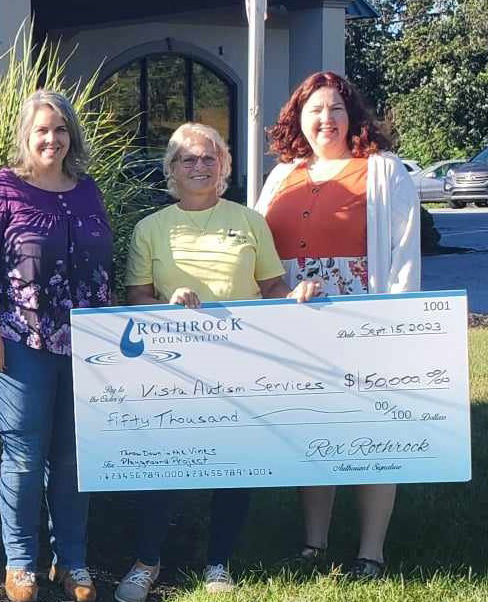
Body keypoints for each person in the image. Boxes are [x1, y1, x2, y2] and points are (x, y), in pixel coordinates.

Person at [115, 122, 320, 602]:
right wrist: (166, 305)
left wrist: (297, 295)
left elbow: (272, 286)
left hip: (240, 362)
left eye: (210, 157)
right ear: (172, 169)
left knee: (234, 463)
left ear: (224, 165)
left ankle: (218, 563)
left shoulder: (249, 221)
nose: (200, 166)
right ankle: (147, 561)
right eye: (188, 159)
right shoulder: (150, 228)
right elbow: (136, 296)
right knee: (163, 464)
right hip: (172, 368)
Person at [256, 71, 420, 578]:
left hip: (362, 317)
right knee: (314, 425)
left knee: (372, 430)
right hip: (296, 320)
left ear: (352, 117)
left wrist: (397, 323)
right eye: (314, 111)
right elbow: (257, 251)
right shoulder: (282, 175)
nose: (325, 119)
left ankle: (371, 552)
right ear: (298, 120)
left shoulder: (382, 170)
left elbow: (404, 252)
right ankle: (315, 544)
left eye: (335, 109)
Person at [0, 90, 113, 602]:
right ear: (26, 135)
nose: (52, 138)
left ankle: (72, 563)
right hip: (19, 340)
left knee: (72, 458)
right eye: (42, 130)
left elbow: (103, 265)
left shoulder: (86, 189)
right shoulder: (2, 188)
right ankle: (21, 564)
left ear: (72, 135)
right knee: (25, 457)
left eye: (61, 129)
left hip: (84, 345)